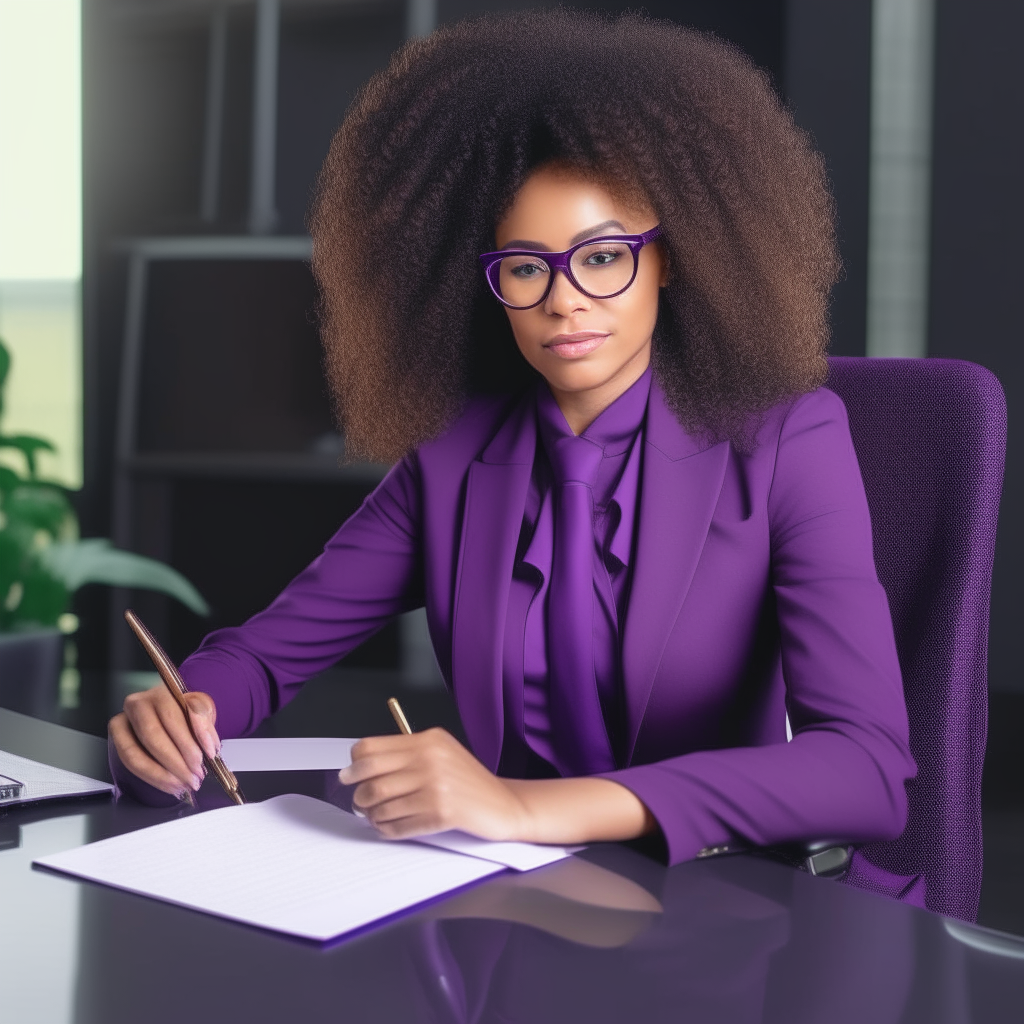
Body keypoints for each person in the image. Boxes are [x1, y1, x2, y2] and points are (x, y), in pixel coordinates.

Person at [109, 10, 915, 879]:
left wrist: (521, 806)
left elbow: (867, 769)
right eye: (527, 267)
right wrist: (184, 709)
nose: (565, 300)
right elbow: (266, 654)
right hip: (507, 898)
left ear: (673, 259)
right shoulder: (454, 456)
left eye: (603, 256)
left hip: (715, 904)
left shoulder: (789, 438)